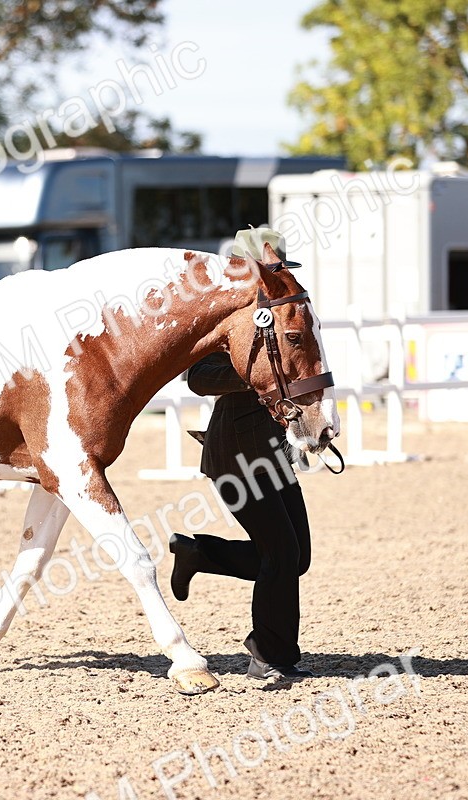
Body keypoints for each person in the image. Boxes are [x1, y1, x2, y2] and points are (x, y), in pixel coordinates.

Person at [168, 228, 315, 681]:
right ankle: (269, 654)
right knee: (281, 553)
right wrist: (261, 376)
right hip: (235, 451)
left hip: (272, 450)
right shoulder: (224, 318)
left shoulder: (278, 314)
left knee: (297, 558)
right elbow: (199, 377)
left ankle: (199, 554)